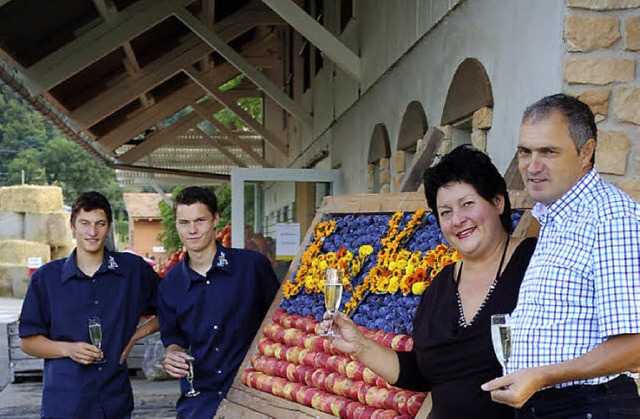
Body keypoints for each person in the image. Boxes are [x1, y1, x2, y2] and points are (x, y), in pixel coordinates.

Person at [327, 145, 537, 418]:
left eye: (467, 204)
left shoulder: (535, 264)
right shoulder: (440, 286)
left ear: (497, 202)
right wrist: (360, 346)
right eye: (445, 212)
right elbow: (423, 374)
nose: (458, 220)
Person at [482, 94, 640, 417]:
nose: (532, 166)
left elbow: (634, 346)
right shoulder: (557, 216)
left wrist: (541, 375)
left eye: (548, 152)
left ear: (586, 152)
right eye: (525, 152)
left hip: (590, 406)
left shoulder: (611, 218)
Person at [19, 191, 160, 418]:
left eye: (100, 224)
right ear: (73, 225)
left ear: (110, 226)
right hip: (65, 404)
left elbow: (174, 307)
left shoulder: (133, 270)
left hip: (115, 401)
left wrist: (135, 336)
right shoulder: (47, 278)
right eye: (84, 223)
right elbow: (28, 342)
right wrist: (68, 349)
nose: (92, 232)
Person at [158, 186, 279, 419]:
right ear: (176, 224)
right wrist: (172, 355)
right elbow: (174, 340)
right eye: (184, 222)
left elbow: (280, 323)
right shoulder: (170, 284)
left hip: (254, 397)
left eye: (200, 220)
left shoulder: (252, 266)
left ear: (215, 219)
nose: (192, 230)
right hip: (200, 403)